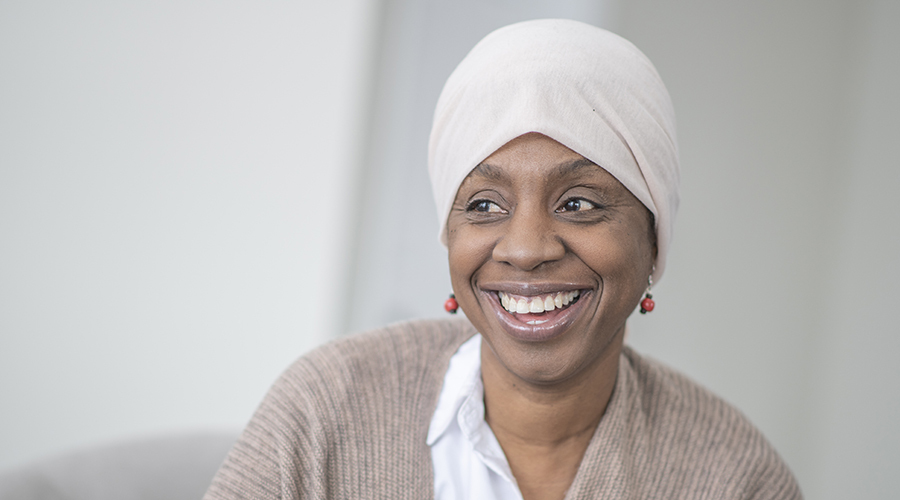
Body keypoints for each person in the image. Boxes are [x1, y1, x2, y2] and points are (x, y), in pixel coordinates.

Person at [204, 19, 802, 500]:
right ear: (449, 233)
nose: (525, 249)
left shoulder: (734, 478)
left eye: (578, 202)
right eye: (485, 204)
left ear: (653, 242)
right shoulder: (324, 409)